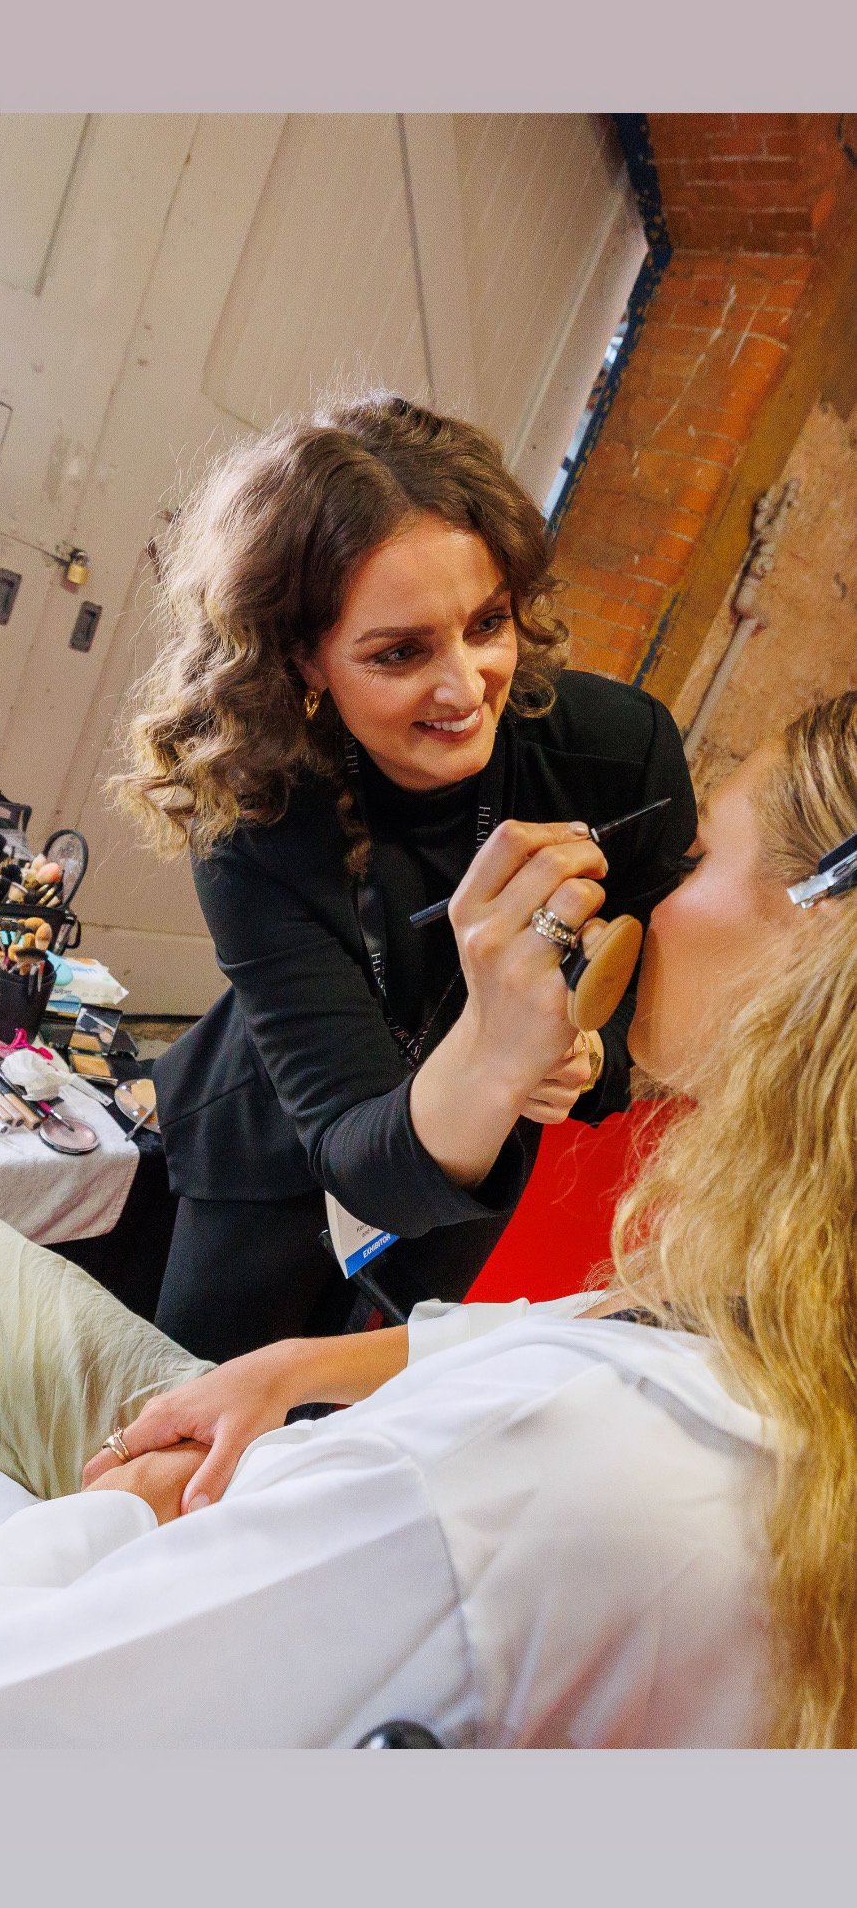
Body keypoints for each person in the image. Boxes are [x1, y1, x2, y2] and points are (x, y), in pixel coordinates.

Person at [0, 690, 857, 1748]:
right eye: (397, 650)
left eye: (700, 856)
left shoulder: (531, 1470)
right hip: (304, 1326)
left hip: (249, 1517)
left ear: (813, 937)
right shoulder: (792, 1328)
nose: (462, 681)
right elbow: (595, 1328)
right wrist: (306, 1361)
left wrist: (112, 1515)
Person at [114, 394, 696, 1359]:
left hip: (475, 1159)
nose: (466, 689)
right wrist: (502, 1053)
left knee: (347, 1418)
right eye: (399, 653)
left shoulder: (619, 750)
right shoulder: (256, 816)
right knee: (199, 1401)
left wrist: (589, 1059)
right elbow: (357, 1160)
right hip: (275, 1141)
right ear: (302, 656)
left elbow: (647, 1006)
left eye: (488, 624)